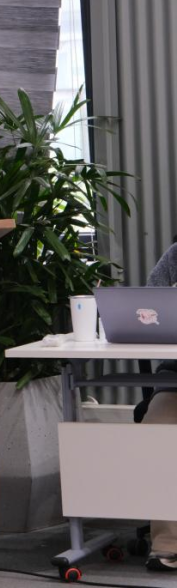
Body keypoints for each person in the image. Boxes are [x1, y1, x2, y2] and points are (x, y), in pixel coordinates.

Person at [142, 237, 177, 572]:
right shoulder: (175, 257)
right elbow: (145, 310)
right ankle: (168, 543)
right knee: (158, 429)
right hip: (175, 375)